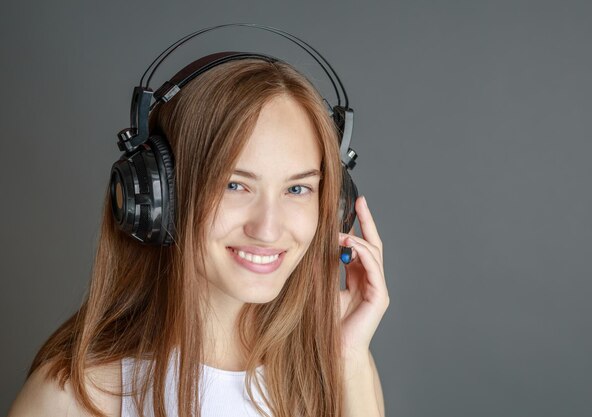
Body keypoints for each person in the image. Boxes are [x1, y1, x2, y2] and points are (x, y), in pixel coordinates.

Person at [8, 46, 389, 417]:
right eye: (234, 185)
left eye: (297, 188)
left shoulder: (337, 368)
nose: (268, 229)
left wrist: (348, 359)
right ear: (161, 199)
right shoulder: (77, 396)